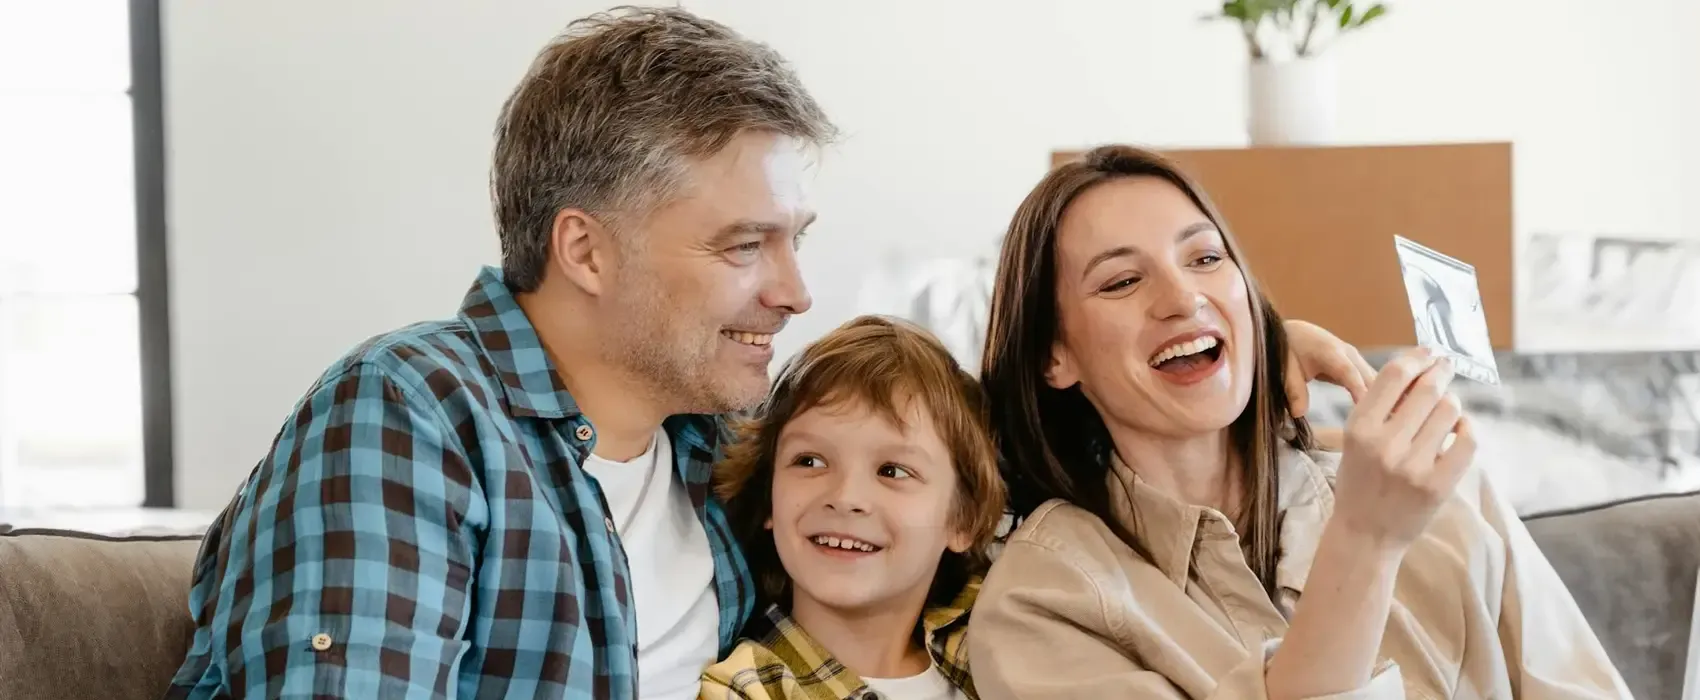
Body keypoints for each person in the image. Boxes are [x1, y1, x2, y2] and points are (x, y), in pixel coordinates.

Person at [163, 8, 1378, 699]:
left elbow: (943, 465)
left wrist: (1228, 372)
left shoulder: (731, 451)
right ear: (583, 249)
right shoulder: (415, 416)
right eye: (745, 245)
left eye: (795, 241)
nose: (792, 292)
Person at [967, 144, 1632, 699]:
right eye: (1120, 282)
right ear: (1053, 354)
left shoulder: (1440, 492)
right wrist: (1366, 542)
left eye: (1205, 258)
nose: (1183, 298)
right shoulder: (1041, 601)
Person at [699, 315, 1005, 700]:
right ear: (768, 497)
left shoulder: (1001, 639)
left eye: (892, 471)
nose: (845, 498)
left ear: (965, 519)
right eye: (809, 461)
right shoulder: (744, 691)